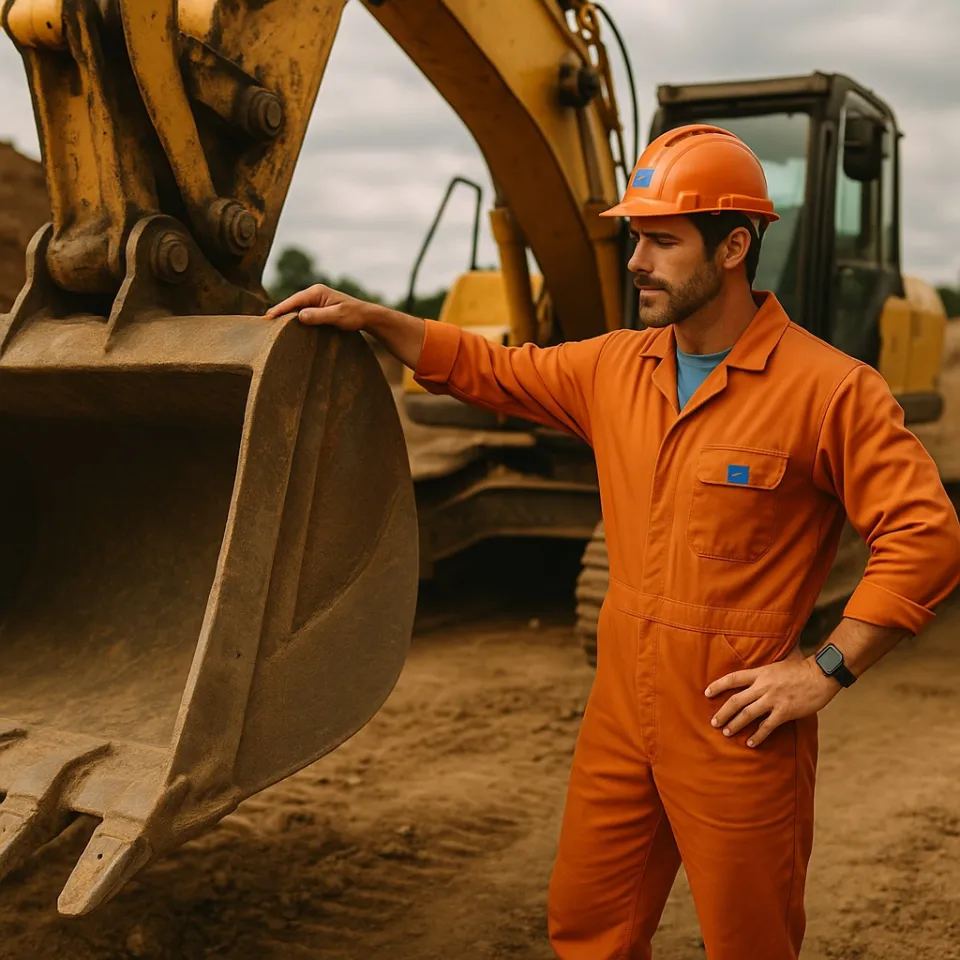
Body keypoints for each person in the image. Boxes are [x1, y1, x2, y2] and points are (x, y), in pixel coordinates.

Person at [265, 124, 960, 959]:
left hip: (735, 722)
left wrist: (825, 669)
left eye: (662, 240)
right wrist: (376, 319)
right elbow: (495, 371)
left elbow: (924, 534)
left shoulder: (830, 389)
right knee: (589, 927)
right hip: (620, 711)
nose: (637, 261)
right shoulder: (615, 368)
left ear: (735, 245)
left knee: (750, 940)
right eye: (635, 237)